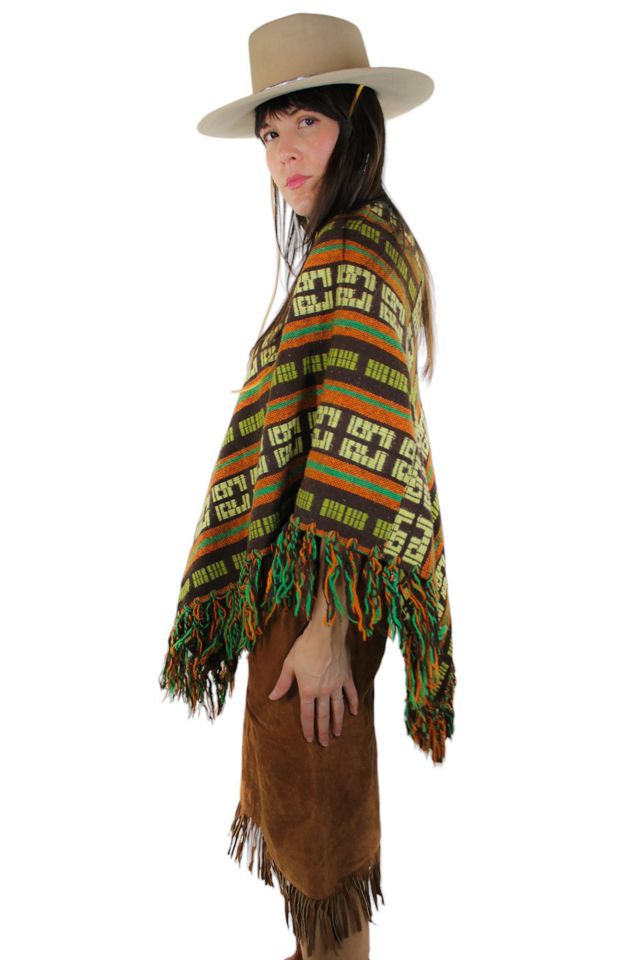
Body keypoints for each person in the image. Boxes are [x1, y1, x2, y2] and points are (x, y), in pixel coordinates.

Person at [158, 13, 457, 960]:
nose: (284, 153)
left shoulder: (353, 251)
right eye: (269, 132)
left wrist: (327, 630)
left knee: (326, 859)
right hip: (302, 589)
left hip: (318, 605)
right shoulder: (373, 239)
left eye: (308, 123)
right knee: (308, 844)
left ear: (358, 124)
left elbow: (357, 456)